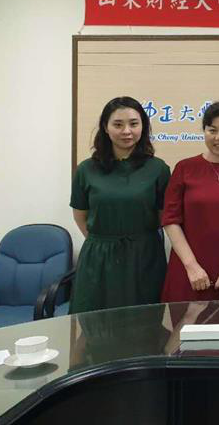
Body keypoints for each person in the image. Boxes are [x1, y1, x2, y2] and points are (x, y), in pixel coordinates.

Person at [69, 97, 170, 313]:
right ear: (105, 127)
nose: (126, 131)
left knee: (144, 321)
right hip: (99, 258)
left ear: (143, 126)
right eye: (118, 124)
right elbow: (80, 215)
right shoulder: (86, 170)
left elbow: (164, 217)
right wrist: (104, 242)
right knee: (94, 322)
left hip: (144, 257)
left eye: (134, 124)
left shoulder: (158, 169)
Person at [161, 102, 219, 302]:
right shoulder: (185, 168)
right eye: (212, 130)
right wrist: (191, 266)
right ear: (204, 131)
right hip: (188, 269)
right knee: (184, 321)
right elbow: (170, 219)